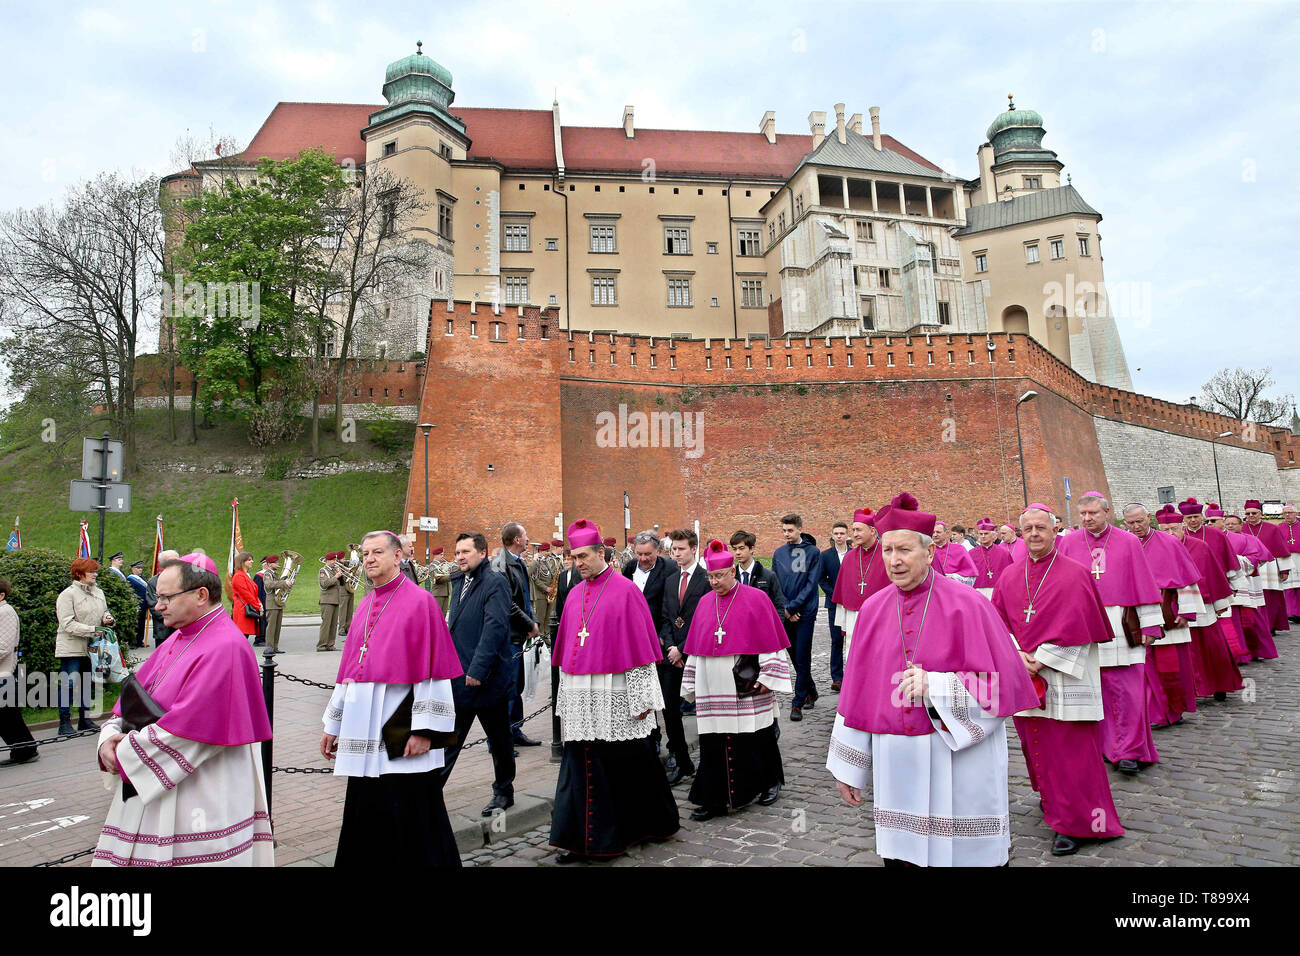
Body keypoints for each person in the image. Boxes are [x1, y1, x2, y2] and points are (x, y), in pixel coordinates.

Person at [826, 492, 1039, 867]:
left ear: (928, 552)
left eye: (904, 550)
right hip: (898, 758)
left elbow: (1002, 688)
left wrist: (937, 687)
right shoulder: (873, 609)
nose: (894, 560)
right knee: (904, 858)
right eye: (888, 550)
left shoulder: (969, 604)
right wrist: (850, 765)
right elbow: (857, 692)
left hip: (959, 760)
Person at [93, 553, 273, 866]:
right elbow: (135, 695)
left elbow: (193, 731)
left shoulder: (225, 646)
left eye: (166, 597)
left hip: (202, 787)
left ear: (201, 595)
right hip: (158, 772)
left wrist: (124, 750)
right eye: (157, 597)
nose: (157, 605)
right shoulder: (179, 635)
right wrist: (109, 734)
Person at [321, 531, 463, 867]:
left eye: (378, 552)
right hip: (362, 731)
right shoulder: (364, 606)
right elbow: (348, 676)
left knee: (411, 814)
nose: (369, 559)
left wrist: (425, 730)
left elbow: (434, 672)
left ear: (398, 557)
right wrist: (333, 724)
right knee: (366, 809)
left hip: (401, 732)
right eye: (366, 553)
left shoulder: (421, 602)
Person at [991, 505, 1125, 856]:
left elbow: (1084, 627)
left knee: (1073, 753)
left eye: (1041, 528)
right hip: (1024, 675)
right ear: (1021, 534)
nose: (1034, 534)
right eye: (1028, 529)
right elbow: (997, 624)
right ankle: (1056, 806)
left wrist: (1042, 660)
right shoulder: (1009, 575)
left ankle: (1082, 823)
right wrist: (1017, 656)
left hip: (1067, 677)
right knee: (1038, 749)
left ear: (1054, 531)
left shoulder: (1076, 573)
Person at [550, 519, 678, 863]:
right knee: (579, 767)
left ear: (601, 553)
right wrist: (565, 702)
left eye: (583, 556)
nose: (578, 563)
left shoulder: (625, 590)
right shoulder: (574, 593)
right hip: (580, 695)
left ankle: (635, 829)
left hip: (617, 695)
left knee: (625, 765)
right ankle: (580, 839)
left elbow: (639, 651)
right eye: (573, 557)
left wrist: (642, 700)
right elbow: (566, 654)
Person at [681, 540, 791, 821]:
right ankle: (715, 797)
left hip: (746, 681)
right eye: (710, 577)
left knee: (757, 733)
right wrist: (691, 681)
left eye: (719, 576)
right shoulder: (706, 602)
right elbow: (695, 646)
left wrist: (770, 675)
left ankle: (769, 782)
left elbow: (770, 642)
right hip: (712, 683)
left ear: (733, 571)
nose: (714, 582)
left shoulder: (756, 598)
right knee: (714, 740)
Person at [1056, 493, 1163, 775]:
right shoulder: (1068, 542)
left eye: (1093, 513)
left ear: (1106, 512)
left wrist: (1150, 625)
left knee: (1128, 692)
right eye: (1083, 514)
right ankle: (1108, 746)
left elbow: (1143, 581)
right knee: (1096, 692)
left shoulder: (1128, 541)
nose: (1088, 519)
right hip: (1086, 624)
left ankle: (1130, 750)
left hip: (1121, 624)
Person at [439, 532, 518, 815]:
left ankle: (503, 791)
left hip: (487, 679)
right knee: (449, 740)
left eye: (465, 552)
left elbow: (494, 628)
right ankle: (430, 795)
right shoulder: (458, 579)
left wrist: (478, 669)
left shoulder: (495, 583)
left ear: (482, 553)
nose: (459, 556)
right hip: (459, 678)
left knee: (499, 740)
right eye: (457, 552)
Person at [1123, 504, 1202, 729]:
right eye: (1131, 523)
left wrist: (1187, 611)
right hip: (1134, 614)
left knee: (1171, 667)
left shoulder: (1169, 543)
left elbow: (1186, 579)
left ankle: (1172, 710)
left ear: (1149, 518)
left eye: (1140, 521)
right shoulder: (1123, 544)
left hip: (1167, 610)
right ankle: (1149, 711)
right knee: (1142, 667)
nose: (1136, 526)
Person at [1161, 511, 1243, 701]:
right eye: (1166, 530)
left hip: (1202, 606)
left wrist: (1221, 603)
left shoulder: (1200, 547)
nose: (1171, 533)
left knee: (1212, 649)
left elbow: (1214, 575)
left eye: (1174, 529)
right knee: (1183, 653)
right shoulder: (1157, 549)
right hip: (1171, 609)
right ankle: (1192, 689)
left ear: (1182, 528)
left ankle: (1219, 684)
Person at [658, 528, 707, 783]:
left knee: (708, 708)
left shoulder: (706, 579)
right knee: (669, 708)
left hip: (697, 653)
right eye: (673, 550)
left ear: (693, 549)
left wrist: (683, 648)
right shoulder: (670, 580)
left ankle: (710, 763)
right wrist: (670, 646)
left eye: (681, 549)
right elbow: (666, 616)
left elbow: (705, 620)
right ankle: (682, 759)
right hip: (672, 655)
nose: (676, 554)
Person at [494, 522, 541, 748]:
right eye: (525, 536)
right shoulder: (501, 565)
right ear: (516, 540)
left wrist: (534, 620)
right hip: (508, 635)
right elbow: (507, 603)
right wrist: (529, 624)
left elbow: (524, 595)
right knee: (508, 687)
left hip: (518, 634)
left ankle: (515, 730)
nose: (528, 539)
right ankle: (501, 739)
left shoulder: (517, 563)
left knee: (517, 685)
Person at [55, 557, 114, 736]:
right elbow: (67, 624)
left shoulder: (99, 592)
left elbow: (105, 612)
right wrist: (92, 630)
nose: (96, 575)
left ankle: (84, 719)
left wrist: (108, 619)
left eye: (96, 571)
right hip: (72, 646)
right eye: (92, 571)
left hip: (93, 647)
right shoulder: (68, 594)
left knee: (88, 682)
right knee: (70, 683)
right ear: (80, 574)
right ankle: (64, 723)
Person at [772, 514, 822, 721]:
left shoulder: (813, 552)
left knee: (803, 657)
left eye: (790, 530)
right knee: (793, 656)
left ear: (800, 529)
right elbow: (775, 582)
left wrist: (793, 607)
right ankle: (811, 689)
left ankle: (797, 703)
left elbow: (811, 585)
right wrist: (785, 609)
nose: (786, 534)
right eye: (784, 530)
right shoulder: (779, 553)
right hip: (786, 613)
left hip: (805, 611)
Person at [829, 508, 890, 677]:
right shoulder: (849, 557)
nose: (854, 534)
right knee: (853, 652)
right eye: (853, 530)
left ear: (872, 531)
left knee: (879, 653)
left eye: (858, 530)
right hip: (853, 616)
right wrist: (842, 621)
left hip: (880, 615)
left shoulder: (886, 554)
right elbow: (842, 591)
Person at [0, 578, 38, 765]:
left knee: (8, 717)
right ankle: (23, 750)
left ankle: (26, 750)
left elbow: (4, 647)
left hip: (3, 672)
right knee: (7, 717)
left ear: (1, 595)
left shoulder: (5, 612)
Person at [1241, 499, 1293, 635]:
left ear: (1260, 514)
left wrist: (1284, 570)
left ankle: (1271, 625)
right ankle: (1255, 626)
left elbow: (1281, 550)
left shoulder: (1272, 529)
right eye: (1248, 514)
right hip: (1249, 567)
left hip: (1269, 568)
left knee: (1271, 598)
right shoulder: (1241, 529)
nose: (1251, 516)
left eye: (1254, 513)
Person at [819, 522, 849, 694]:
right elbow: (821, 579)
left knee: (853, 640)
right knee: (837, 640)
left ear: (847, 535)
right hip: (834, 603)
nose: (839, 536)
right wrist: (835, 594)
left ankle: (854, 675)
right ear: (832, 535)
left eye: (842, 533)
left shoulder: (854, 553)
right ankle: (837, 677)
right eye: (836, 533)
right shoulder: (826, 556)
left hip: (853, 603)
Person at [728, 531, 786, 617]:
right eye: (735, 549)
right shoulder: (731, 578)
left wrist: (774, 629)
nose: (737, 552)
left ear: (751, 549)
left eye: (741, 548)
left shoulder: (768, 576)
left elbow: (779, 606)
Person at [970, 518, 1013, 599]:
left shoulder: (1004, 553)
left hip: (998, 590)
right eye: (981, 534)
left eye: (986, 534)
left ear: (993, 535)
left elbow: (1010, 574)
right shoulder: (971, 553)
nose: (983, 536)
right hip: (978, 590)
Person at [145, 550, 180, 646]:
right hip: (163, 631)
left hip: (182, 630)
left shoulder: (185, 580)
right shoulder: (153, 582)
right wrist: (174, 617)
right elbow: (153, 605)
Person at [229, 552, 262, 644]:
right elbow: (246, 594)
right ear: (243, 562)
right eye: (249, 560)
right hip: (242, 611)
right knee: (242, 637)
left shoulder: (244, 575)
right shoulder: (238, 576)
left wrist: (259, 604)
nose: (252, 561)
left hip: (246, 609)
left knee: (243, 638)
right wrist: (258, 606)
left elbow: (253, 593)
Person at [932, 521, 978, 585]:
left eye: (938, 532)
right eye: (933, 532)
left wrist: (953, 576)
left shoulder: (959, 549)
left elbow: (970, 576)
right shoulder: (926, 549)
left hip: (953, 588)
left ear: (946, 533)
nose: (935, 535)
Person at [261, 555, 289, 655]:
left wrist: (288, 583)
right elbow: (269, 585)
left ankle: (275, 647)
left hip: (278, 602)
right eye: (275, 563)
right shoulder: (267, 574)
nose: (278, 564)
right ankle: (269, 647)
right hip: (272, 603)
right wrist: (284, 583)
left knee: (277, 627)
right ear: (269, 564)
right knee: (271, 627)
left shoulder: (276, 574)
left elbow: (280, 584)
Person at [317, 552, 346, 652]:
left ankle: (330, 645)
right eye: (333, 560)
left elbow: (342, 584)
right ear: (327, 561)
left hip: (335, 600)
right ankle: (321, 645)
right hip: (327, 601)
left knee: (334, 624)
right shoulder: (323, 571)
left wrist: (341, 575)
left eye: (335, 560)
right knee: (326, 624)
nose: (335, 562)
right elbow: (324, 584)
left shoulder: (334, 570)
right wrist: (336, 576)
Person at [1280, 503, 1300, 621]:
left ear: (1296, 514)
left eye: (1290, 512)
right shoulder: (1278, 528)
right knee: (1289, 587)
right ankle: (1291, 612)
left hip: (1299, 559)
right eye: (1285, 513)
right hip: (1285, 559)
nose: (1287, 515)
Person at [338, 544, 361, 637]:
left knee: (350, 610)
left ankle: (348, 627)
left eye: (344, 558)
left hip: (350, 589)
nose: (344, 560)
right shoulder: (337, 566)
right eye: (342, 558)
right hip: (343, 590)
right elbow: (341, 579)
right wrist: (350, 573)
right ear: (338, 559)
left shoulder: (345, 563)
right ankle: (341, 628)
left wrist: (357, 568)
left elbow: (354, 563)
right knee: (343, 610)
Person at [126, 560, 149, 648]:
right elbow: (131, 592)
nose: (140, 570)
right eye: (138, 568)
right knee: (135, 624)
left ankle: (140, 640)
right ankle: (133, 642)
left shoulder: (142, 578)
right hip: (136, 605)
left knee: (141, 623)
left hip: (144, 605)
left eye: (141, 568)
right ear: (133, 569)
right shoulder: (131, 579)